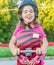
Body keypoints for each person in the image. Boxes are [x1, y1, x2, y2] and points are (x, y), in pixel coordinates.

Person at [9, 0, 48, 65]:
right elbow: (11, 44)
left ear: (35, 14)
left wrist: (38, 57)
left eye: (31, 11)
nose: (28, 13)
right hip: (22, 62)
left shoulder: (38, 28)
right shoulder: (19, 29)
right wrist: (19, 55)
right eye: (25, 12)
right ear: (21, 15)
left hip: (37, 62)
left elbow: (45, 43)